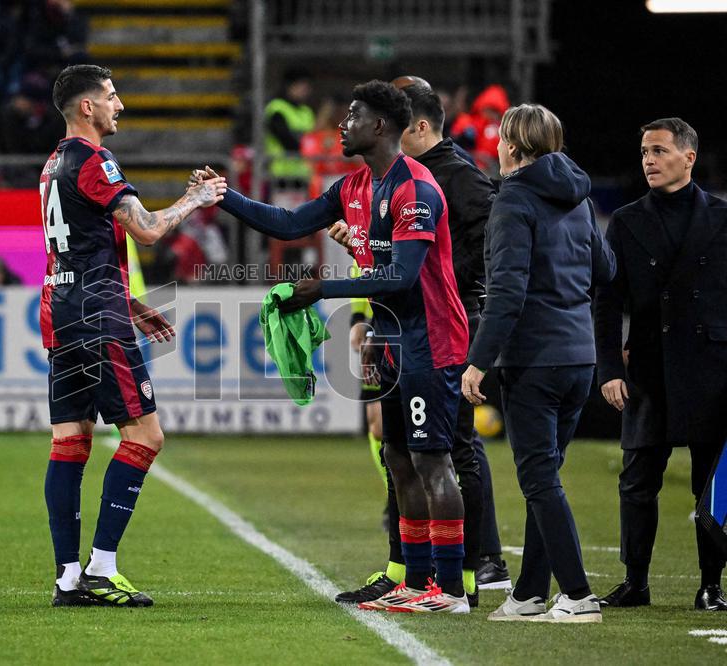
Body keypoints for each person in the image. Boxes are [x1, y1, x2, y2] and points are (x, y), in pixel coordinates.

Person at [196, 80, 472, 614]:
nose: (340, 124)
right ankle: (416, 582)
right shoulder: (355, 186)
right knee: (397, 456)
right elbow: (290, 222)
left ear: (380, 127)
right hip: (393, 340)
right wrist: (225, 195)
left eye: (352, 115)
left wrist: (322, 288)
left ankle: (453, 590)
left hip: (430, 340)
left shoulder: (417, 189)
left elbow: (401, 276)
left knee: (432, 461)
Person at [40, 64, 225, 608]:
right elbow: (144, 228)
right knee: (145, 436)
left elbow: (69, 251)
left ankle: (68, 578)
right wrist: (196, 199)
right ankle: (102, 567)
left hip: (65, 310)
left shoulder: (52, 165)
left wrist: (131, 302)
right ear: (87, 108)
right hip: (98, 318)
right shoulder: (95, 160)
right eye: (112, 97)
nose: (120, 105)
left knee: (69, 440)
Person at [333, 79, 509, 609]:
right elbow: (388, 264)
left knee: (452, 449)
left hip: (448, 328)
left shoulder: (458, 182)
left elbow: (481, 261)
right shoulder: (387, 182)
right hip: (401, 325)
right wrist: (368, 312)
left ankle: (474, 571)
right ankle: (409, 572)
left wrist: (461, 305)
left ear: (420, 127)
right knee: (402, 449)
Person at [461, 104, 616, 622]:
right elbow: (606, 268)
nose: (496, 148)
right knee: (546, 476)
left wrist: (478, 362)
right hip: (580, 357)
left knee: (539, 481)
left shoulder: (514, 200)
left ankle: (576, 594)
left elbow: (506, 291)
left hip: (535, 359)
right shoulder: (579, 196)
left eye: (502, 140)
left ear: (514, 146)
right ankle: (529, 593)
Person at [594, 117, 727, 611]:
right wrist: (609, 367)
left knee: (708, 485)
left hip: (712, 368)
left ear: (688, 157)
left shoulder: (721, 217)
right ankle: (636, 582)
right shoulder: (627, 221)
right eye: (644, 151)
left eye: (658, 150)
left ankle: (711, 586)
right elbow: (607, 301)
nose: (647, 160)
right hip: (648, 368)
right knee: (637, 480)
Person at [264, 67, 315, 185]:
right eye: (301, 86)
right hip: (281, 175)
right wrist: (306, 144)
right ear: (289, 86)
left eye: (307, 88)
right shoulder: (277, 108)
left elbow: (315, 138)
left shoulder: (306, 111)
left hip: (304, 174)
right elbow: (287, 140)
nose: (305, 91)